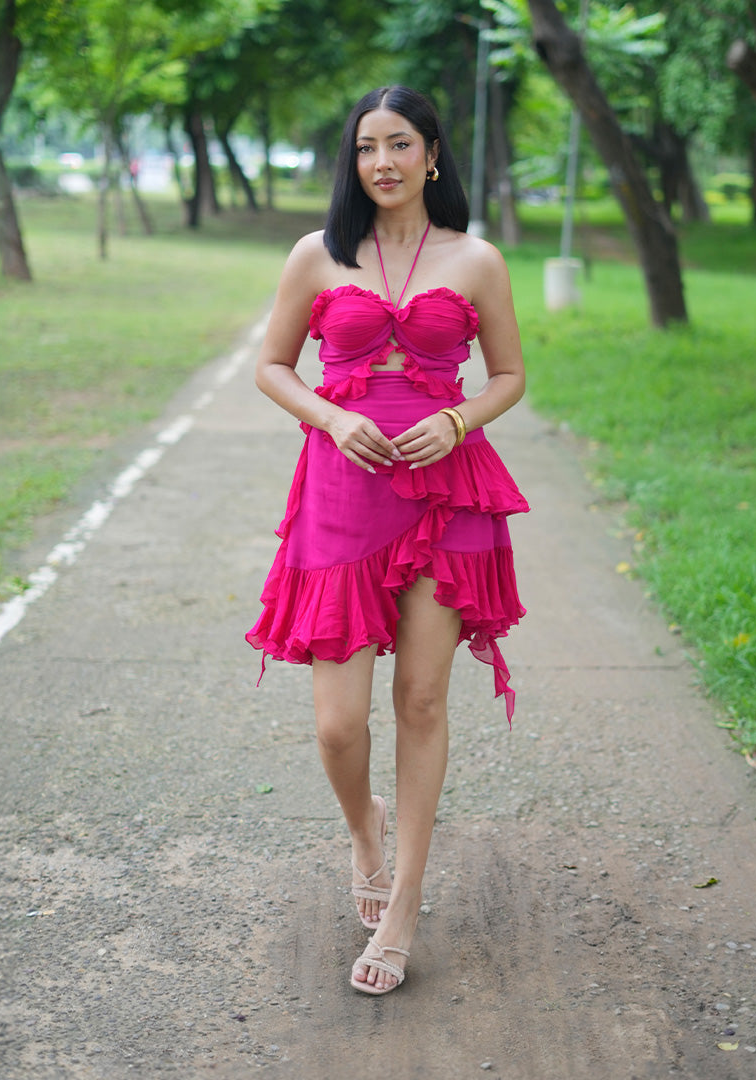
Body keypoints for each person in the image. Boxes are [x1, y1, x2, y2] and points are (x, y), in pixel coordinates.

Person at [246, 86, 528, 996]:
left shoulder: (476, 259)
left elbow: (511, 376)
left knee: (420, 702)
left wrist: (458, 423)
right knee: (337, 724)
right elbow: (272, 366)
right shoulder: (317, 257)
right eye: (367, 147)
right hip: (344, 492)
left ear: (433, 154)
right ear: (352, 161)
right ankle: (363, 828)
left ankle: (404, 899)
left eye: (401, 144)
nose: (384, 163)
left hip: (449, 494)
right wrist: (330, 417)